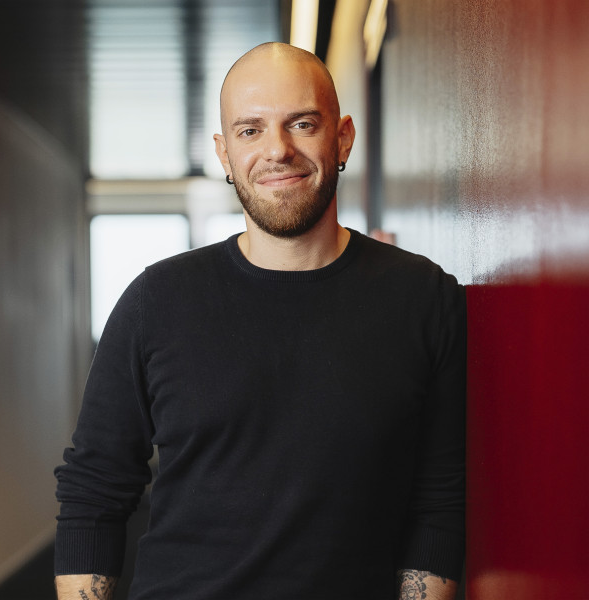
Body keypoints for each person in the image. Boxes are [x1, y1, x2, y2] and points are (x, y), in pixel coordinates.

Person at [54, 42, 466, 600]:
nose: (278, 150)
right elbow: (94, 491)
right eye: (250, 131)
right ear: (225, 154)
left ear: (343, 137)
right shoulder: (157, 300)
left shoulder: (423, 298)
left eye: (302, 124)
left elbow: (439, 500)